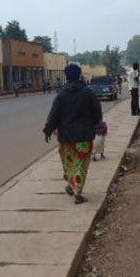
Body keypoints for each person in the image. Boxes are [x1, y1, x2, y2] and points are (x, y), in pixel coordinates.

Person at [43, 64, 102, 205]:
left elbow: (54, 116)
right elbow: (98, 114)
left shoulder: (61, 95)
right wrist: (93, 124)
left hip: (65, 137)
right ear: (79, 75)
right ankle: (77, 193)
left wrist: (48, 130)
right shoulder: (88, 93)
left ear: (66, 76)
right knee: (81, 165)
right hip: (84, 137)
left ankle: (71, 186)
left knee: (69, 164)